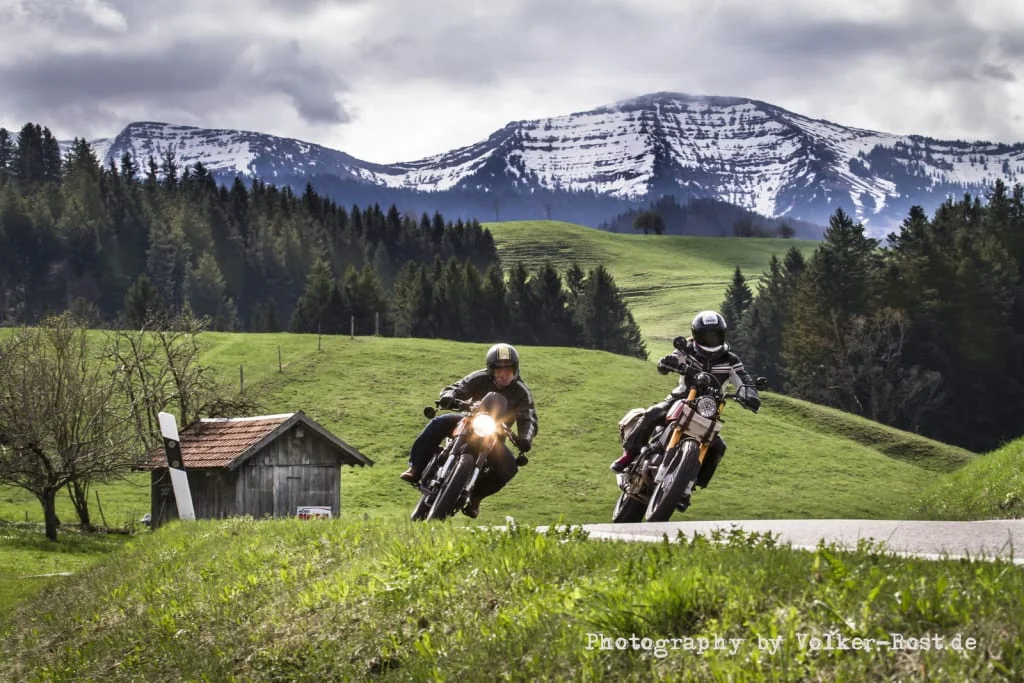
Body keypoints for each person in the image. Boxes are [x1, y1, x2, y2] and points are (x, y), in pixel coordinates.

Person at [610, 310, 761, 504]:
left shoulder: (730, 360)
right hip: (681, 398)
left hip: (709, 409)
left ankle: (688, 484)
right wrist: (667, 363)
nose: (710, 340)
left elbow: (744, 380)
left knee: (719, 447)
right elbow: (671, 359)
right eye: (706, 336)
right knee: (653, 413)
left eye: (715, 335)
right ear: (696, 335)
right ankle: (629, 455)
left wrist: (750, 395)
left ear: (723, 335)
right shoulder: (687, 348)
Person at [401, 342, 538, 518]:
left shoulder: (521, 392)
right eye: (499, 369)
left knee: (509, 467)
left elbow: (528, 417)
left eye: (509, 370)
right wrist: (449, 397)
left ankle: (476, 498)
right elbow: (456, 388)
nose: (504, 374)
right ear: (491, 370)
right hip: (470, 420)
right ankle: (416, 468)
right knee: (439, 423)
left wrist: (525, 439)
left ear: (516, 369)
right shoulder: (479, 378)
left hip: (494, 434)